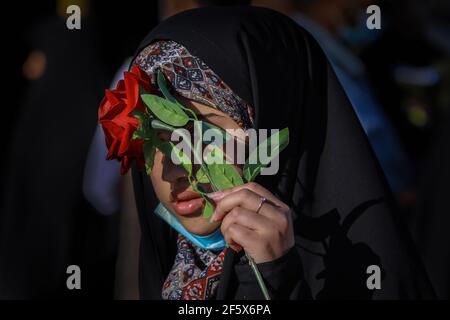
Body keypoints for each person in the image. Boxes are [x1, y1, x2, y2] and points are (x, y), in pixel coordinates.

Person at [105, 6, 434, 299]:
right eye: (158, 135)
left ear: (272, 123)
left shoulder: (366, 271)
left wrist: (272, 279)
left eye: (204, 129)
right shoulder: (175, 266)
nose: (173, 164)